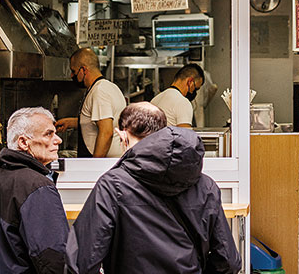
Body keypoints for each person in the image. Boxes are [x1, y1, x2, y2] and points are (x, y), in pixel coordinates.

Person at [67, 102, 241, 274]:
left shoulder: (113, 186)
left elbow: (82, 262)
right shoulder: (206, 186)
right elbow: (228, 261)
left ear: (122, 136)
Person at [0, 107, 68, 274]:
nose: (58, 140)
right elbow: (54, 257)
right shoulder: (38, 187)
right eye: (49, 134)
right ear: (24, 142)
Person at [55, 48, 126, 157]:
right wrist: (71, 123)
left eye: (73, 71)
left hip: (103, 165)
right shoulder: (109, 87)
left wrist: (94, 165)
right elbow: (98, 121)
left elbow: (106, 132)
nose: (71, 76)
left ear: (84, 70)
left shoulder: (100, 91)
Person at [151, 63, 204, 127]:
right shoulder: (183, 102)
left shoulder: (154, 100)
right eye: (195, 88)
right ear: (190, 82)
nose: (194, 92)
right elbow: (185, 135)